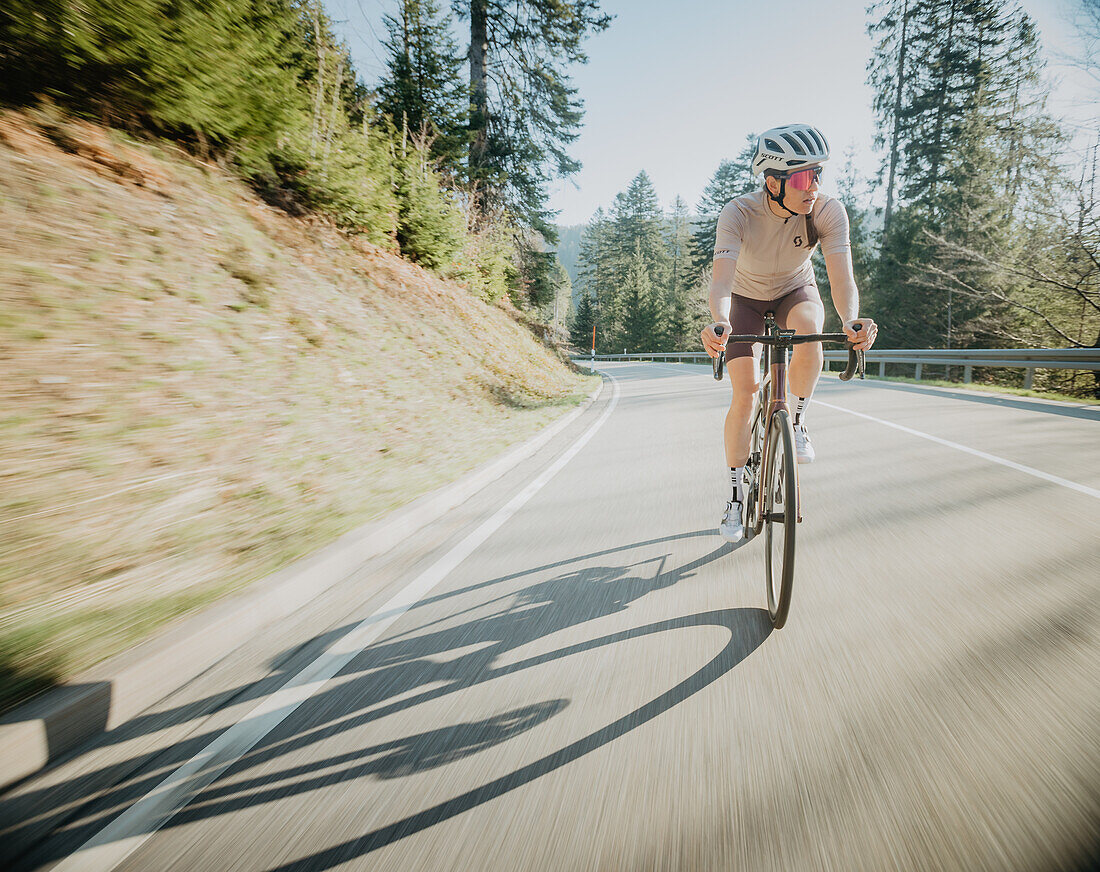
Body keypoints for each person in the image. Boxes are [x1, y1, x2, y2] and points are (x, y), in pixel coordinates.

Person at [699, 123, 878, 543]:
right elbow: (721, 284)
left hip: (795, 290)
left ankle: (795, 420)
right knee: (744, 391)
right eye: (801, 177)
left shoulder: (827, 212)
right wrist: (720, 323)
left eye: (817, 175)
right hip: (744, 298)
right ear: (771, 181)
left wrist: (851, 319)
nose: (812, 186)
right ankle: (735, 495)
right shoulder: (739, 213)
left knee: (811, 329)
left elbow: (842, 280)